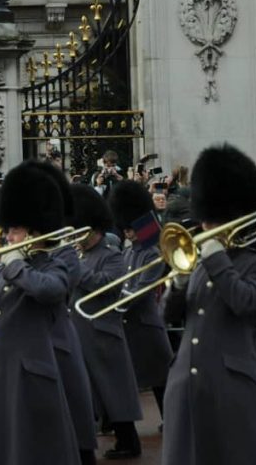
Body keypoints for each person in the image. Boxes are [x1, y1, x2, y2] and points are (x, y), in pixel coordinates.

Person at [161, 144, 256, 465]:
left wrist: (216, 259)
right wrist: (178, 284)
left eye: (215, 220)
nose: (207, 227)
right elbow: (168, 317)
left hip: (231, 384)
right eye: (206, 220)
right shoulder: (197, 261)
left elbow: (246, 304)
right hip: (187, 381)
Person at [0, 162, 79, 464]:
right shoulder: (6, 265)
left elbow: (51, 291)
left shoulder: (51, 262)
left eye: (14, 230)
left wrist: (15, 266)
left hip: (29, 375)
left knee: (28, 450)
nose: (7, 237)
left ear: (34, 229)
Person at [19, 161, 97, 465]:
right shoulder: (18, 248)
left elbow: (58, 288)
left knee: (72, 414)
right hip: (25, 344)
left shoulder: (63, 250)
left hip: (55, 338)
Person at [69, 183, 143, 460]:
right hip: (80, 329)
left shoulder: (111, 254)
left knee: (114, 390)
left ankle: (129, 441)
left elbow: (110, 286)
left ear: (95, 229)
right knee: (89, 392)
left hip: (102, 331)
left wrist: (77, 271)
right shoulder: (80, 254)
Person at [109, 180, 172, 420]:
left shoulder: (152, 253)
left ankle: (172, 418)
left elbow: (143, 288)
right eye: (124, 227)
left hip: (146, 325)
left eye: (131, 226)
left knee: (161, 380)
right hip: (128, 325)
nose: (127, 231)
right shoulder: (126, 253)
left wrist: (117, 305)